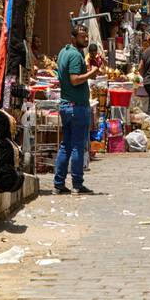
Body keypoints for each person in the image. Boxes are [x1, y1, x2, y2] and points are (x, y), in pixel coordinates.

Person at [54, 24, 98, 195]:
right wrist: (91, 73)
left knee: (66, 145)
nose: (85, 39)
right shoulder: (74, 55)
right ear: (73, 37)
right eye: (82, 36)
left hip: (67, 105)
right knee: (77, 146)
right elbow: (74, 80)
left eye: (86, 36)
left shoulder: (64, 52)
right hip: (76, 107)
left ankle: (59, 183)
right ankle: (77, 184)